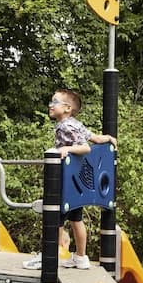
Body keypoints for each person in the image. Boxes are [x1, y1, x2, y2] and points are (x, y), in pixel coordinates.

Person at [24, 88, 116, 270]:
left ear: (67, 108)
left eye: (54, 102)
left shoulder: (65, 126)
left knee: (54, 220)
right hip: (77, 183)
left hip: (65, 182)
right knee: (76, 220)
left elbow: (85, 148)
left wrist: (67, 149)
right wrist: (108, 138)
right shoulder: (76, 124)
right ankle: (81, 257)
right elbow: (95, 139)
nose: (50, 105)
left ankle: (48, 256)